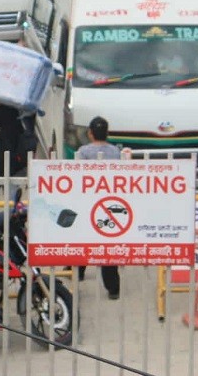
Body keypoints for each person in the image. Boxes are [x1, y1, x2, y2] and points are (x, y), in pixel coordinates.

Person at [77, 116, 122, 299]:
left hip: (88, 201)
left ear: (90, 133)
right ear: (107, 133)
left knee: (84, 239)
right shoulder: (115, 152)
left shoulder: (83, 152)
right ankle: (113, 288)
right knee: (106, 243)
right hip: (109, 201)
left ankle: (79, 271)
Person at [0, 103, 30, 179]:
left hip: (6, 149)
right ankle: (16, 189)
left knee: (6, 177)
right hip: (22, 148)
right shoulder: (21, 107)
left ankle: (12, 190)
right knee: (19, 176)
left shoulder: (1, 110)